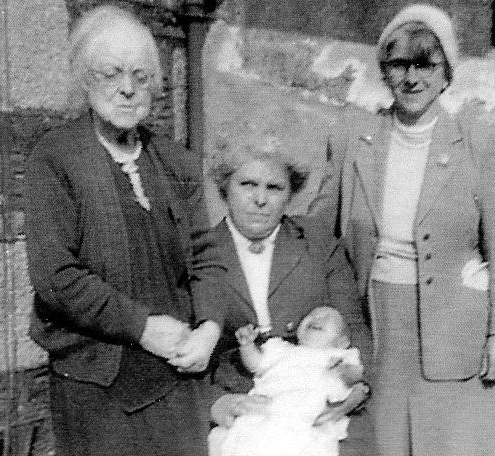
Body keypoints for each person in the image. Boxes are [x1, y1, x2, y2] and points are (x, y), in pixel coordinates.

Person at [309, 4, 495, 455]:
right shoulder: (353, 138)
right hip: (376, 321)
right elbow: (318, 234)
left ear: (447, 73)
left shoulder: (479, 143)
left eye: (426, 64)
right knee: (385, 442)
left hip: (454, 328)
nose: (412, 78)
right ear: (383, 72)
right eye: (398, 64)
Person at [24, 6, 208, 456]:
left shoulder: (176, 161)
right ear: (85, 79)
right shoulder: (56, 159)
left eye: (141, 76)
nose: (127, 89)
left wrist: (208, 328)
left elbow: (207, 257)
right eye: (110, 73)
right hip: (95, 384)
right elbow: (56, 279)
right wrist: (141, 327)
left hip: (176, 377)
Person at [169, 129, 375, 455]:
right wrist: (214, 403)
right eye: (247, 184)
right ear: (225, 187)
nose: (260, 199)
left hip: (319, 398)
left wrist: (360, 388)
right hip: (238, 400)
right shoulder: (195, 253)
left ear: (290, 194)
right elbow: (177, 348)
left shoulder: (317, 242)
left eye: (274, 187)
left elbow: (353, 325)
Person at [209, 306, 366, 456]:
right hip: (268, 405)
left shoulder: (340, 355)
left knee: (308, 444)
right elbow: (255, 365)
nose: (317, 318)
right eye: (310, 316)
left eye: (328, 318)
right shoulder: (280, 349)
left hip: (311, 411)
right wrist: (247, 345)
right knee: (247, 435)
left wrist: (345, 371)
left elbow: (355, 378)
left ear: (342, 342)